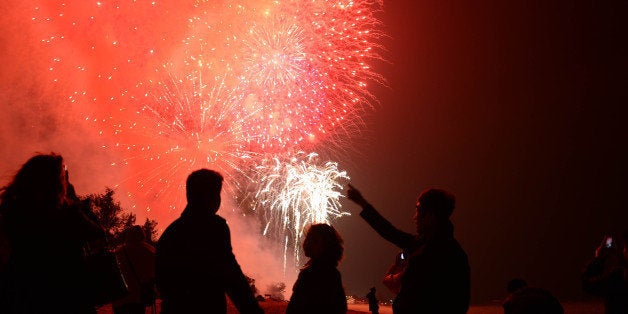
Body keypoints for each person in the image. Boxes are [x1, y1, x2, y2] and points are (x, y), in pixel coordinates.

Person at [0, 153, 105, 313]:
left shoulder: (11, 209)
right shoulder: (66, 214)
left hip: (23, 291)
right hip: (66, 292)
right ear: (55, 183)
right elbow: (97, 233)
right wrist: (73, 199)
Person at [346, 185, 470, 314]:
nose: (414, 217)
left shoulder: (443, 255)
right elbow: (389, 232)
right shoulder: (428, 245)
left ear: (430, 216)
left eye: (418, 210)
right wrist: (362, 202)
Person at [155, 169, 263, 314]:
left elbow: (162, 281)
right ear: (211, 196)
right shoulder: (213, 227)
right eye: (217, 193)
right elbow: (231, 275)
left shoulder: (171, 232)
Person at [286, 223, 347, 314]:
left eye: (314, 240)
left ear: (326, 246)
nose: (307, 242)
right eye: (308, 238)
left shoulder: (310, 274)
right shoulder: (334, 273)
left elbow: (294, 309)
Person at [113, 225, 156, 314]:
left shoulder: (118, 252)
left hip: (120, 298)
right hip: (138, 298)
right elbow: (154, 274)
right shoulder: (149, 251)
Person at [582, 233, 628, 314]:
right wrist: (621, 259)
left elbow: (587, 284)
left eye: (625, 247)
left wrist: (598, 259)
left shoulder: (617, 278)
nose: (623, 250)